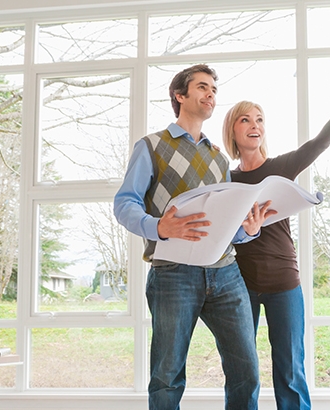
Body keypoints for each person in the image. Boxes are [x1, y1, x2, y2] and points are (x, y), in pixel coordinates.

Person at [113, 64, 274, 410]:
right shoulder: (151, 146)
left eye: (214, 89)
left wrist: (247, 232)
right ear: (180, 95)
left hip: (226, 272)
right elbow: (124, 203)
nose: (211, 94)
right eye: (202, 87)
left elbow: (223, 221)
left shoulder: (218, 158)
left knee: (246, 369)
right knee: (167, 376)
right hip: (173, 273)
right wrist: (158, 227)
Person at [221, 63, 330, 410]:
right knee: (242, 371)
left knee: (290, 371)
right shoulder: (224, 179)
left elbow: (318, 145)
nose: (255, 125)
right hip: (241, 285)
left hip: (284, 281)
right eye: (246, 120)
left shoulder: (281, 166)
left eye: (260, 119)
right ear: (233, 131)